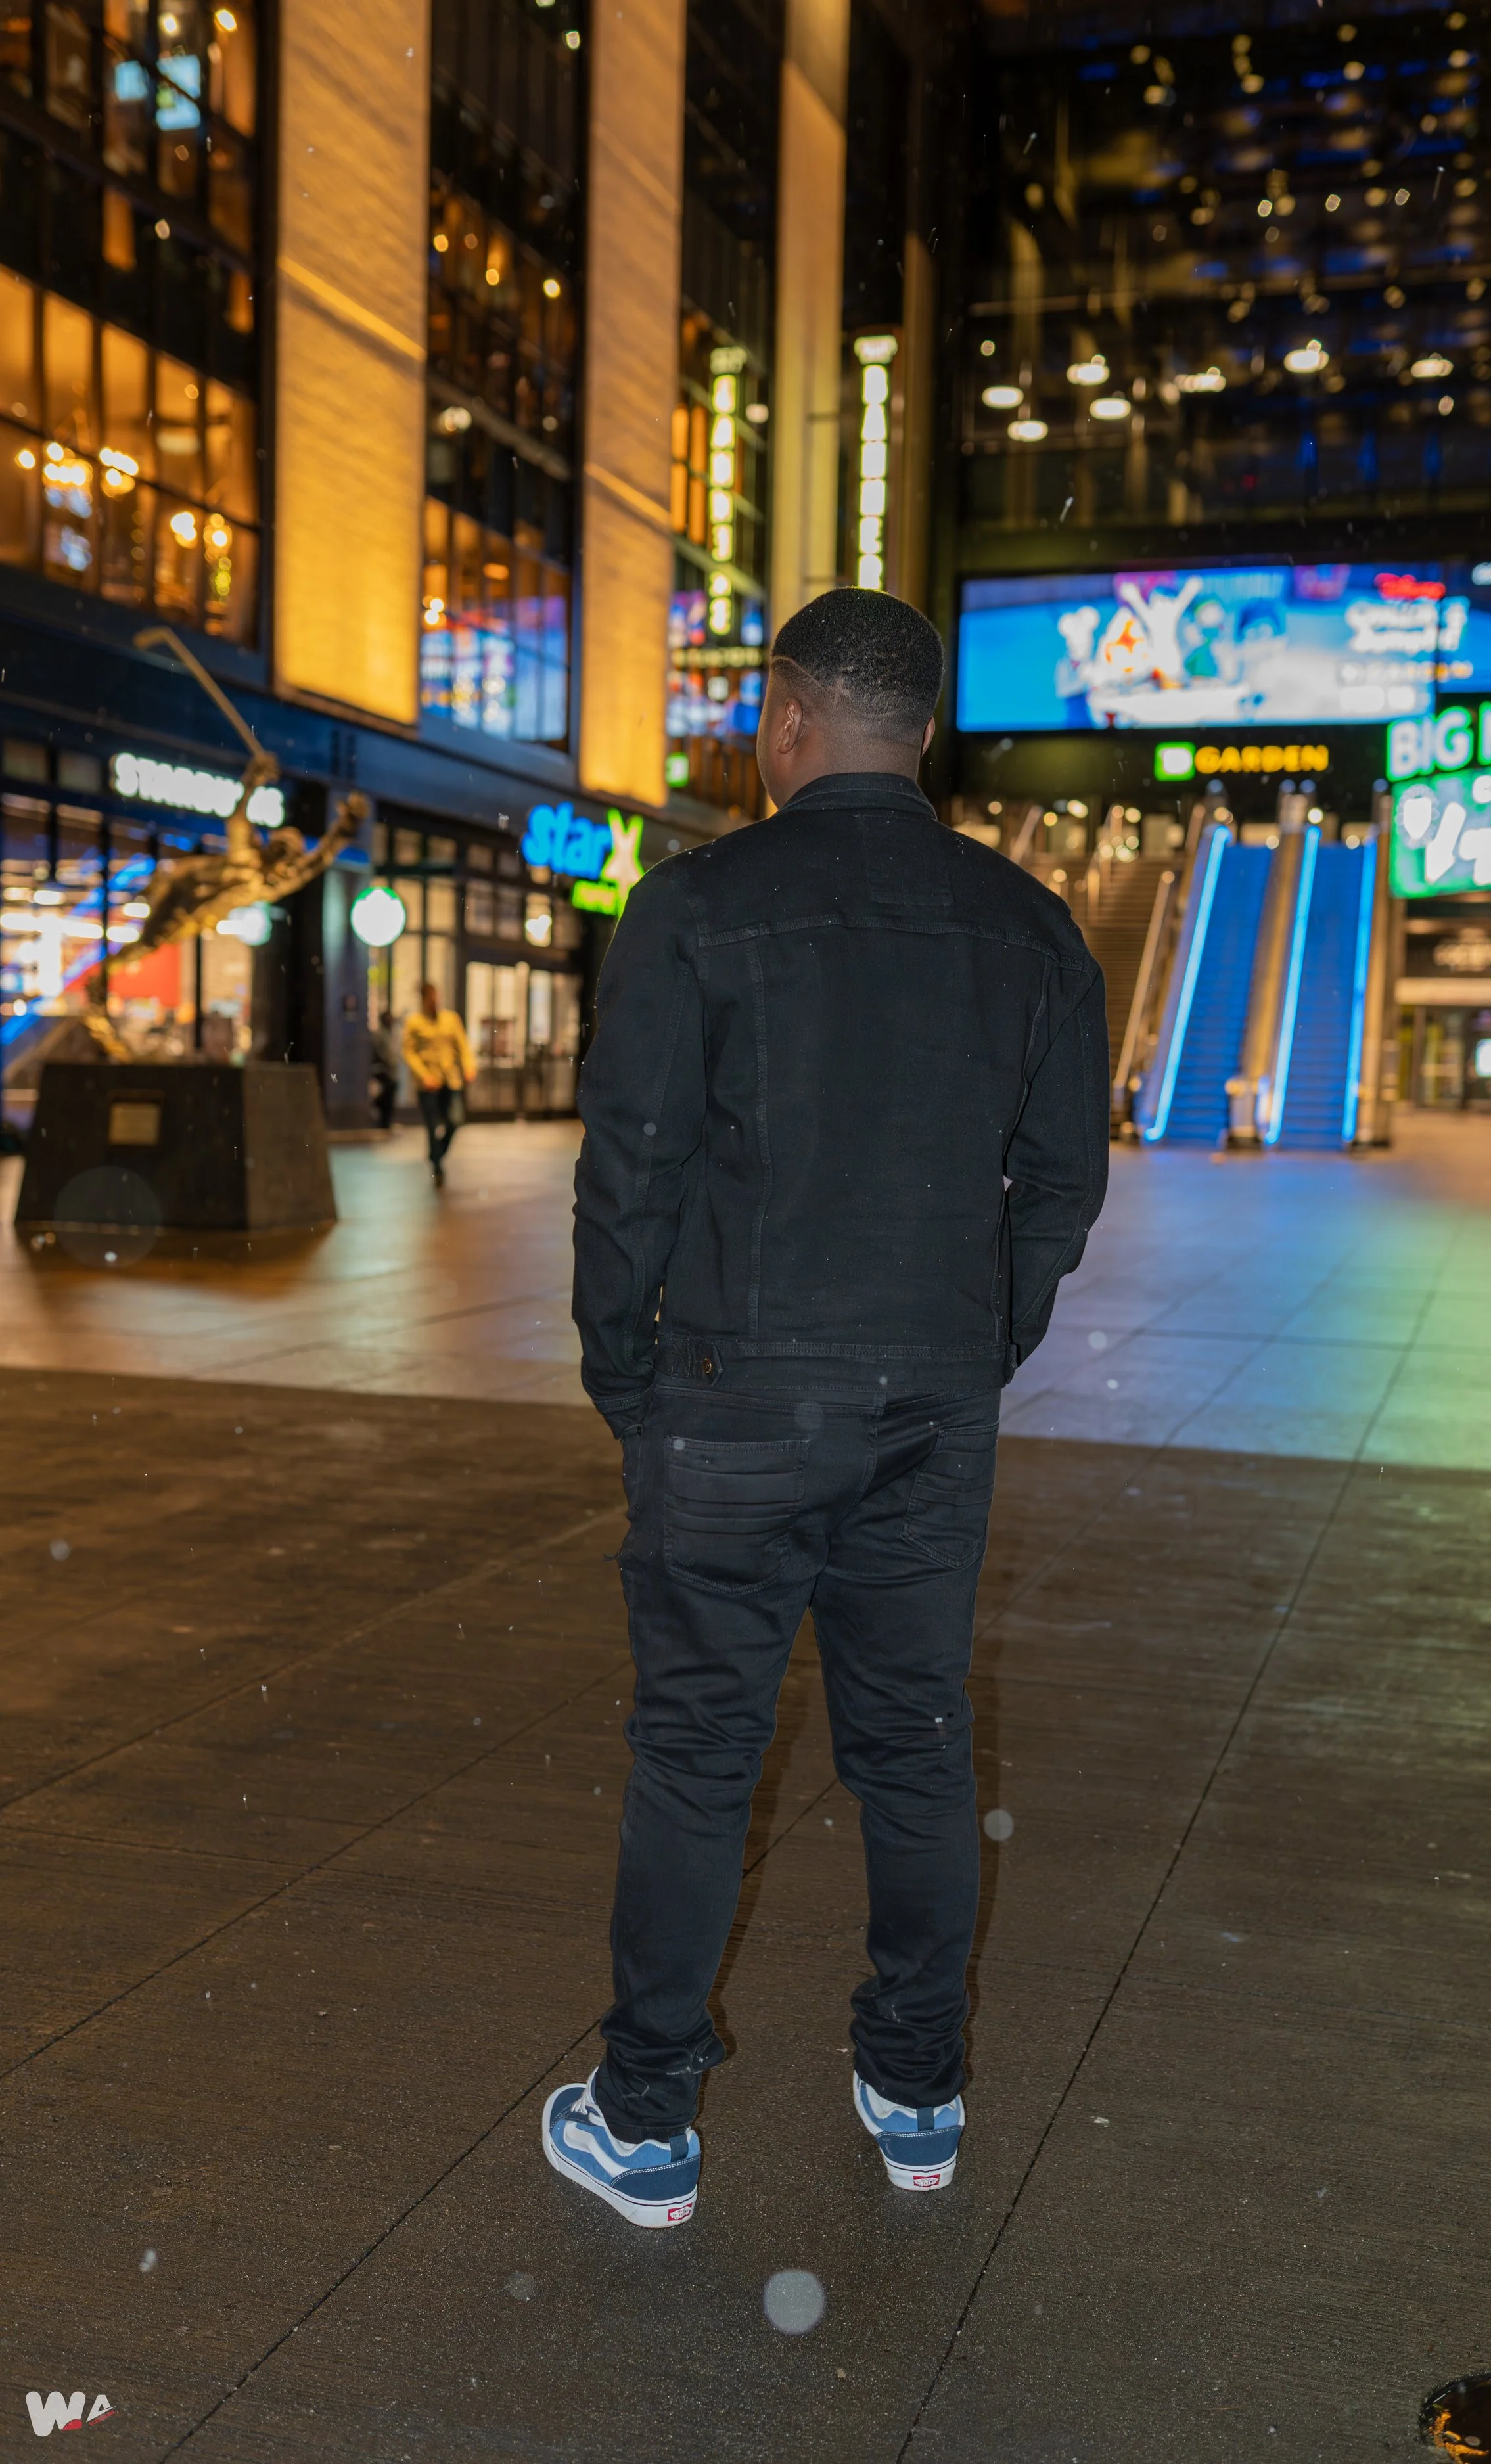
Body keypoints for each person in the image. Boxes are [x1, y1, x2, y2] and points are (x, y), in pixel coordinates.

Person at [548, 589, 1108, 2229]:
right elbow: (1061, 1179)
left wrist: (622, 1376)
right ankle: (916, 2086)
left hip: (727, 1393)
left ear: (787, 720)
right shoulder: (1028, 927)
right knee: (918, 1739)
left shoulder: (699, 906)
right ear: (921, 728)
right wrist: (978, 1334)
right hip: (926, 1398)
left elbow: (627, 1177)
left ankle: (648, 2118)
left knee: (699, 1753)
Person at [401, 980, 475, 1186]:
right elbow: (409, 1052)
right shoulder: (414, 1023)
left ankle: (437, 1154)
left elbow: (463, 1045)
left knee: (455, 1120)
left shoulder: (451, 1019)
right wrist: (423, 1075)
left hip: (450, 1081)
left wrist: (469, 1066)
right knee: (432, 1125)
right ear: (424, 999)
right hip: (428, 1083)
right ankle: (437, 1166)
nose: (435, 1002)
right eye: (431, 998)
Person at [369, 1010, 400, 1133]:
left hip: (391, 1072)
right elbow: (382, 1054)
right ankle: (383, 1123)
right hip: (383, 1071)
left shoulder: (392, 1034)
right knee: (384, 1098)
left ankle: (386, 1123)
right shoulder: (379, 1035)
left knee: (389, 1098)